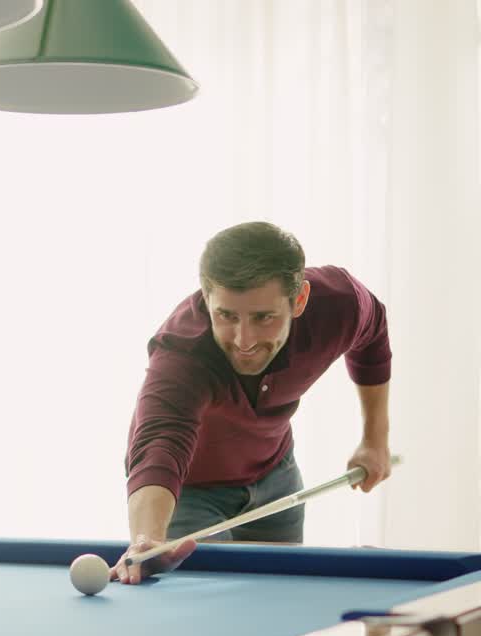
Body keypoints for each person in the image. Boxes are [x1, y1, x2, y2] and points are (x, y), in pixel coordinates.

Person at [113, 221, 394, 584]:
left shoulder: (339, 303)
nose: (244, 340)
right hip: (191, 494)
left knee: (278, 608)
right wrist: (145, 540)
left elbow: (373, 333)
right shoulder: (182, 354)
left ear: (300, 300)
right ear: (207, 297)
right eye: (226, 316)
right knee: (206, 621)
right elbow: (158, 446)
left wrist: (375, 439)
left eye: (264, 318)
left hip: (276, 474)